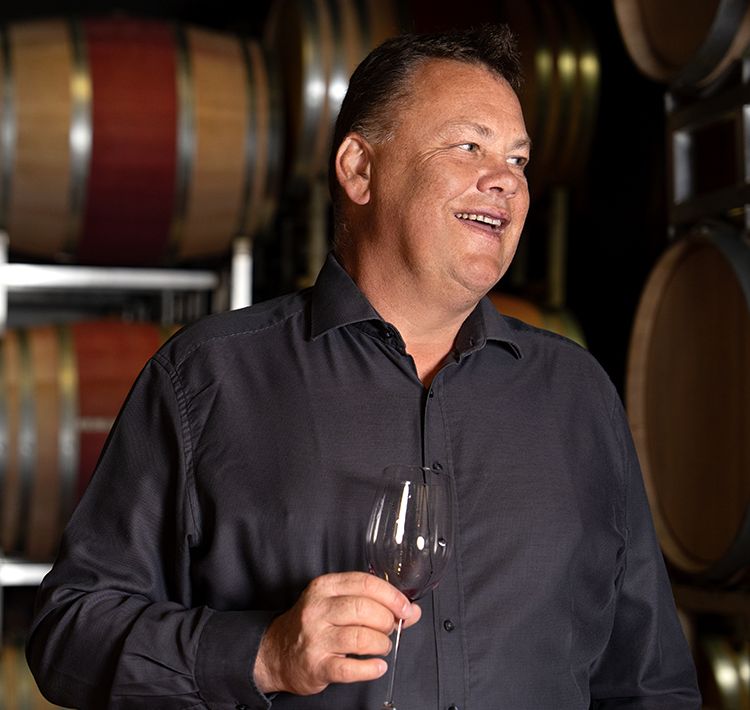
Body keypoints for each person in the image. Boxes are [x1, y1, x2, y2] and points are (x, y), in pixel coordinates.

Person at [27, 24, 701, 709]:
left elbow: (650, 684)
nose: (505, 180)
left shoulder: (577, 395)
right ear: (359, 170)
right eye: (469, 146)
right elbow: (67, 636)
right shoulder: (209, 380)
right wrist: (263, 653)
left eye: (519, 160)